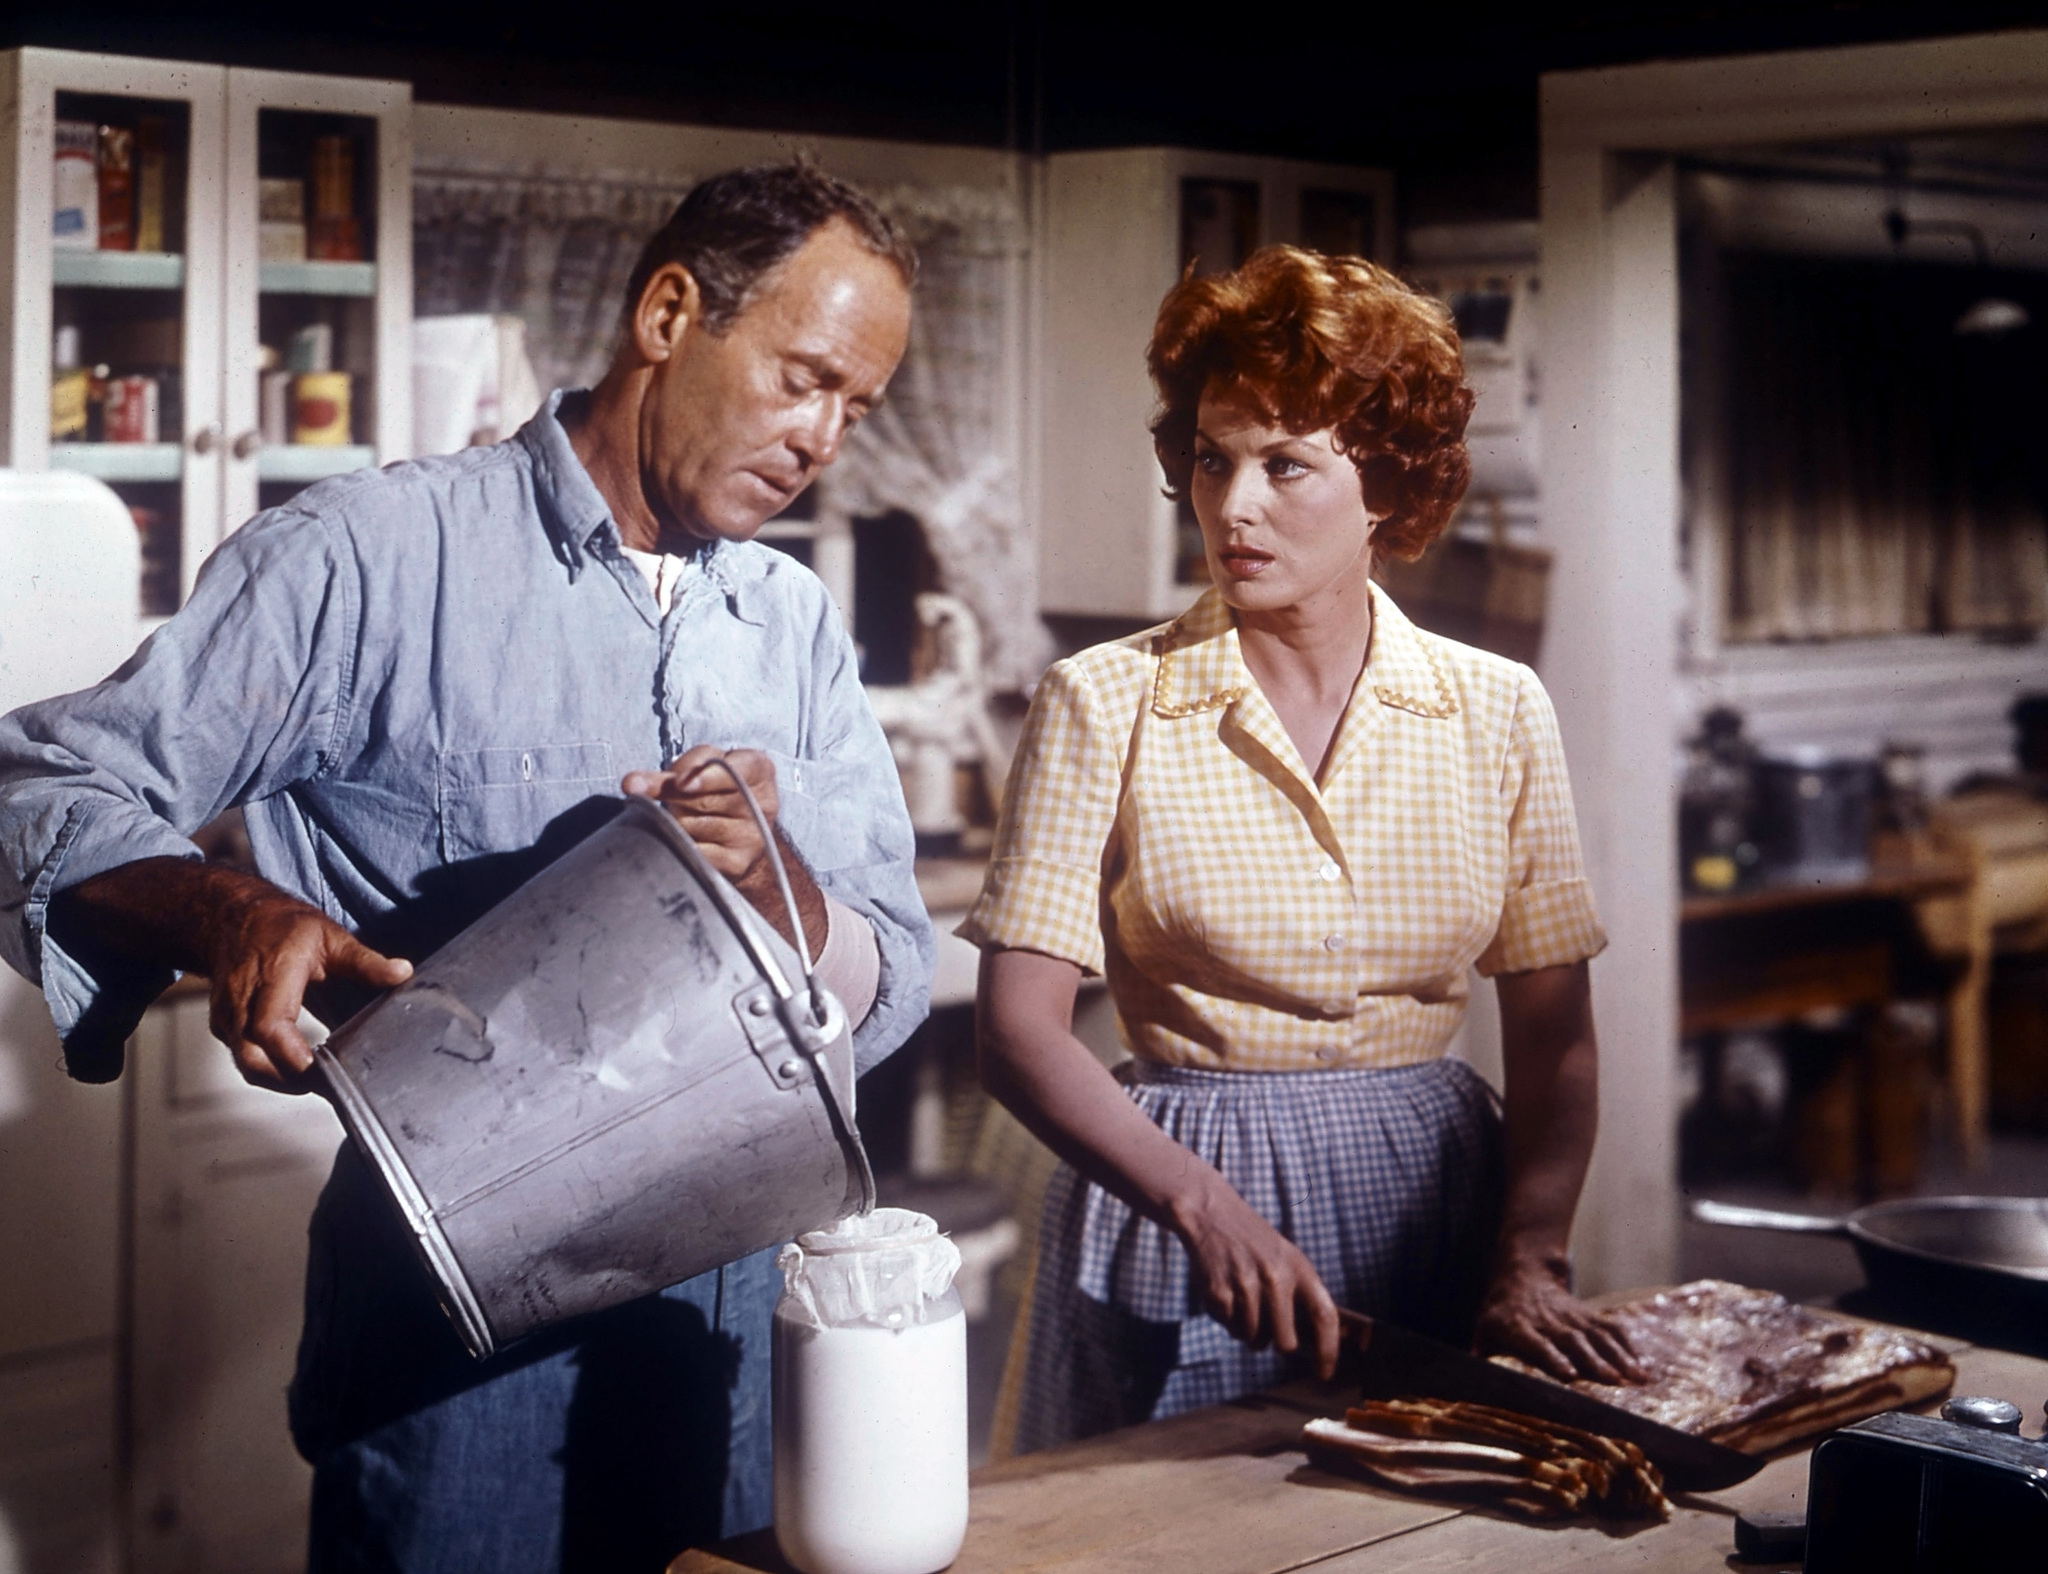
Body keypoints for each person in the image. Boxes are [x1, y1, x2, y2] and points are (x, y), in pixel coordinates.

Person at [0, 160, 934, 1569]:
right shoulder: (374, 557)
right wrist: (222, 904)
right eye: (804, 379)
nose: (822, 440)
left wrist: (784, 890)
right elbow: (39, 778)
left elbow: (896, 968)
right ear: (670, 314)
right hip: (463, 1313)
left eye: (855, 410)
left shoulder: (790, 621)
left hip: (725, 1327)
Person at [963, 245, 1643, 1453]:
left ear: (1384, 479)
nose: (1232, 506)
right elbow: (1018, 1026)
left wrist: (1530, 1252)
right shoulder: (1101, 701)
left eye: (1287, 464)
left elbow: (1552, 1034)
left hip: (1435, 1196)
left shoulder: (1495, 708)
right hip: (1181, 1208)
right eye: (1211, 460)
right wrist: (1200, 1207)